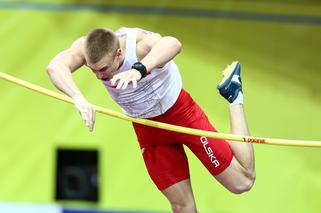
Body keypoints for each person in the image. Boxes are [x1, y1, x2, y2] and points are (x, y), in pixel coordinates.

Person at [47, 27, 255, 213]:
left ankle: (234, 96)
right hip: (148, 128)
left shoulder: (138, 44)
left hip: (181, 114)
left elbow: (173, 44)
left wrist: (139, 69)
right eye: (93, 70)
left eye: (103, 69)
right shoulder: (87, 48)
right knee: (182, 206)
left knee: (242, 182)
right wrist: (78, 98)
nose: (99, 77)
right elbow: (55, 67)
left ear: (119, 54)